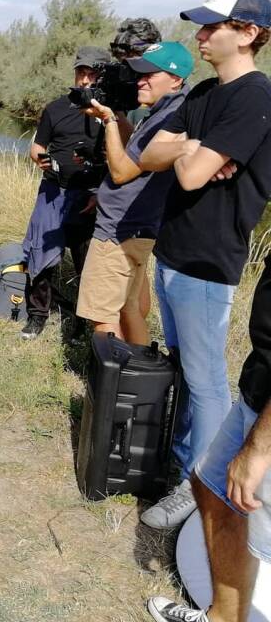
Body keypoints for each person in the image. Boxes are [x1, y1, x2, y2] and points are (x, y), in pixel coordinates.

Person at [138, 0, 271, 530]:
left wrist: (187, 152)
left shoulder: (254, 98)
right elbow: (147, 152)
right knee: (188, 372)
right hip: (172, 250)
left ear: (248, 33)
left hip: (208, 261)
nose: (199, 35)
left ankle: (200, 486)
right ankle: (184, 467)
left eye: (211, 26)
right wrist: (191, 147)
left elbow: (188, 174)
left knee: (206, 379)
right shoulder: (203, 95)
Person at [147, 253, 271, 622]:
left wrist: (260, 448)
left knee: (262, 536)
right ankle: (223, 617)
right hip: (259, 388)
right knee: (211, 487)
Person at [76, 42, 194, 344]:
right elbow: (135, 153)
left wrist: (109, 121)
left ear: (175, 79)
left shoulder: (170, 117)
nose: (140, 81)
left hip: (119, 229)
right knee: (129, 309)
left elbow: (121, 171)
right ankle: (138, 378)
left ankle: (108, 386)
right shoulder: (169, 109)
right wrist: (117, 115)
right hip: (138, 226)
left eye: (149, 75)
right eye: (140, 74)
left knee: (103, 315)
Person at [20, 46, 111, 341]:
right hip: (53, 192)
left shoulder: (112, 115)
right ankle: (37, 317)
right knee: (42, 257)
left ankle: (81, 327)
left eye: (91, 74)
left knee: (89, 267)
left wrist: (101, 192)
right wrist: (41, 160)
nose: (84, 80)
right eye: (80, 73)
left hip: (90, 198)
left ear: (102, 77)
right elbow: (36, 147)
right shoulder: (55, 108)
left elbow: (119, 159)